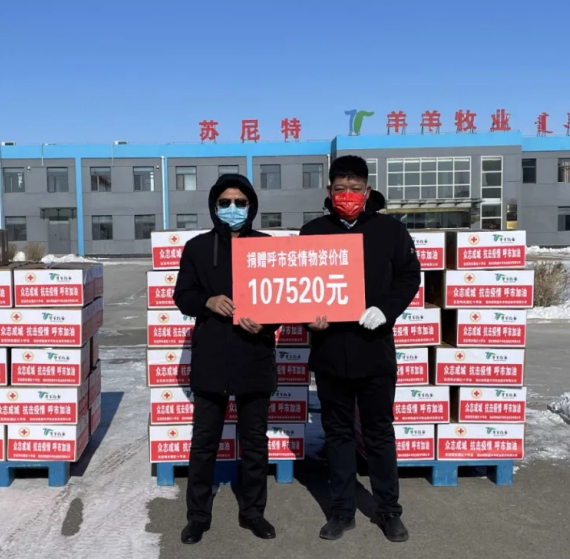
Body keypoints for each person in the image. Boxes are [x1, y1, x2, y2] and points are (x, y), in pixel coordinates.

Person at [299, 155, 420, 543]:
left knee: (379, 433)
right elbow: (298, 286)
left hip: (375, 350)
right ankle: (341, 511)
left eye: (354, 189)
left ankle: (389, 511)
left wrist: (385, 309)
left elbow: (409, 276)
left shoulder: (390, 230)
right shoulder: (313, 233)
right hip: (330, 351)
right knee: (337, 435)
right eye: (340, 189)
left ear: (367, 191)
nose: (347, 195)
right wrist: (307, 318)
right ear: (329, 191)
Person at [173, 174, 279, 545]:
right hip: (212, 359)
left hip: (255, 356)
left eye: (240, 202)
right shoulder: (198, 248)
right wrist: (208, 301)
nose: (232, 208)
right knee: (204, 443)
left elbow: (283, 299)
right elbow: (182, 295)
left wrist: (266, 322)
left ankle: (253, 513)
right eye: (225, 202)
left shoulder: (267, 247)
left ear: (251, 206)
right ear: (214, 206)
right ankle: (197, 516)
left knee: (255, 444)